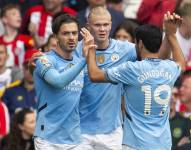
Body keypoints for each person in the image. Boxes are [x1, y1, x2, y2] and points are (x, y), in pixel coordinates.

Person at [84, 11, 186, 150]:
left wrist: (90, 49)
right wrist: (171, 34)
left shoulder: (131, 70)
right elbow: (181, 62)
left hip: (135, 143)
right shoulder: (170, 68)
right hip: (163, 143)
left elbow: (95, 75)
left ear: (140, 44)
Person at [33, 13, 90, 149]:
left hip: (74, 139)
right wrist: (84, 60)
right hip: (48, 139)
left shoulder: (80, 63)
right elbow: (58, 81)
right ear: (55, 36)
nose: (71, 38)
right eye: (65, 33)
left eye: (74, 33)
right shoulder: (45, 60)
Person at [2, 49, 38, 118]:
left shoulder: (49, 93)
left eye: (34, 67)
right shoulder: (9, 92)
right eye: (28, 67)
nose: (31, 71)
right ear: (22, 68)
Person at [0, 4, 35, 68]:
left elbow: (36, 54)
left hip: (21, 76)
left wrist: (34, 35)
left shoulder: (27, 39)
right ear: (4, 19)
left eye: (19, 14)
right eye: (13, 14)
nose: (18, 16)